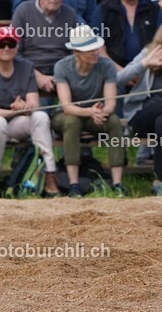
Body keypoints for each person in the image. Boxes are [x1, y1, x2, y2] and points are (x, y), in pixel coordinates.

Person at [0, 25, 60, 196]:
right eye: (1, 44)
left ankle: (50, 175)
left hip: (15, 123)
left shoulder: (26, 66)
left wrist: (25, 107)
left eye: (10, 44)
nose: (6, 48)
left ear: (17, 47)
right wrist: (14, 112)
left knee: (41, 117)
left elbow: (34, 105)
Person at [118, 19, 162, 195]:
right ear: (161, 39)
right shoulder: (148, 53)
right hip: (141, 115)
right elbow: (119, 80)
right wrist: (145, 64)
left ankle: (157, 182)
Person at [52, 25, 125, 197]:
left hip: (96, 114)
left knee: (114, 121)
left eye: (95, 47)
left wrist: (101, 112)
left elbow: (110, 103)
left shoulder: (106, 66)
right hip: (67, 116)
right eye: (88, 49)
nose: (94, 52)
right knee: (72, 121)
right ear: (76, 52)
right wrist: (90, 112)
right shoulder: (62, 67)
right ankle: (74, 184)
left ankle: (117, 183)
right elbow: (66, 106)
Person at [100, 0, 162, 69]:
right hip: (113, 73)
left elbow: (161, 43)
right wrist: (121, 72)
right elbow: (99, 48)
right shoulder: (104, 10)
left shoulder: (154, 10)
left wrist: (143, 69)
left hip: (149, 70)